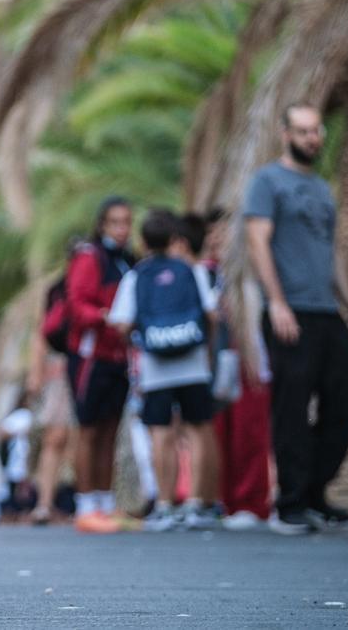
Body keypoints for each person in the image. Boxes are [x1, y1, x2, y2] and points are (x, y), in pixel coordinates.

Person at [243, 104, 348, 536]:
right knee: (292, 408)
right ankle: (291, 503)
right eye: (302, 131)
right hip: (289, 310)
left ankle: (315, 490)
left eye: (316, 130)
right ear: (285, 134)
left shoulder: (320, 188)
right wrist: (276, 302)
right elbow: (258, 242)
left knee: (347, 391)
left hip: (327, 313)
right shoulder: (267, 182)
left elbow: (332, 254)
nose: (312, 138)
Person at [109, 209, 220, 531]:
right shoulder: (192, 271)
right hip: (193, 364)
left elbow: (122, 322)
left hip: (156, 366)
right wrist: (206, 351)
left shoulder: (136, 276)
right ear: (175, 239)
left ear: (143, 242)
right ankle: (198, 505)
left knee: (161, 432)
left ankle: (165, 505)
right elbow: (212, 316)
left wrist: (139, 339)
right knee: (199, 428)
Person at [65, 197, 135, 534]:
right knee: (89, 430)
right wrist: (108, 319)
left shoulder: (125, 261)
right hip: (91, 357)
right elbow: (78, 306)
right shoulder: (90, 257)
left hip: (119, 358)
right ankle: (85, 505)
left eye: (127, 223)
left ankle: (106, 504)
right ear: (102, 224)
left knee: (110, 430)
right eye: (116, 223)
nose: (122, 230)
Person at [203, 209, 272, 530]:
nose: (217, 239)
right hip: (216, 364)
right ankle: (227, 501)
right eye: (212, 234)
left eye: (223, 233)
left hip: (249, 361)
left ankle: (252, 503)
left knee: (250, 432)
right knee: (220, 433)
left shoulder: (253, 274)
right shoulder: (205, 274)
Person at [24, 331, 74, 525]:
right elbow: (44, 328)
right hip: (60, 371)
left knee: (88, 437)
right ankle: (44, 504)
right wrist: (36, 370)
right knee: (55, 436)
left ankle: (89, 502)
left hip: (94, 360)